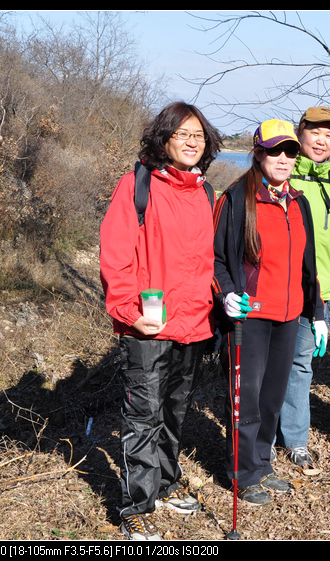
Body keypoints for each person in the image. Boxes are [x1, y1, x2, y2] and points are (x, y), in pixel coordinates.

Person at [99, 101, 222, 540]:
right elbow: (116, 258)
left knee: (175, 410)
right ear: (164, 138)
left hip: (194, 325)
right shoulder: (138, 185)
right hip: (148, 327)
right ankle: (136, 504)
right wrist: (130, 313)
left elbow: (211, 262)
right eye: (183, 134)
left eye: (199, 136)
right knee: (143, 416)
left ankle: (166, 484)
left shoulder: (206, 193)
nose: (192, 142)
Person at [212, 119, 325, 506]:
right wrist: (227, 294)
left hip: (290, 314)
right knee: (247, 396)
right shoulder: (236, 199)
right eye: (275, 150)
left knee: (273, 398)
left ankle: (262, 463)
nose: (283, 158)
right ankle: (243, 472)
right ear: (258, 153)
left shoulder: (299, 201)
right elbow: (215, 260)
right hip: (250, 316)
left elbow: (308, 266)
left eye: (290, 151)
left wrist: (318, 312)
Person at [274, 107, 330, 470]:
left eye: (329, 135)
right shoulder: (282, 173)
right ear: (300, 134)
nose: (321, 140)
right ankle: (264, 437)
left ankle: (296, 439)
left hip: (317, 295)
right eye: (315, 132)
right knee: (271, 365)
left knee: (301, 366)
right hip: (278, 289)